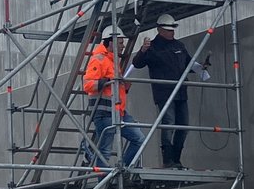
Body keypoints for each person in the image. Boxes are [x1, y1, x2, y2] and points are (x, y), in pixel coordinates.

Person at [130, 13, 210, 169]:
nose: (172, 32)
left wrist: (202, 67)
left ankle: (176, 159)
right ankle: (168, 160)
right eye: (168, 30)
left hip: (180, 92)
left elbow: (189, 65)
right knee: (169, 124)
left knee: (183, 126)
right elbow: (137, 63)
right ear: (159, 30)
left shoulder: (179, 46)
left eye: (173, 29)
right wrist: (143, 51)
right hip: (164, 92)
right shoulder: (152, 47)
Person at [82, 26, 145, 169]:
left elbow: (115, 88)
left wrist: (125, 85)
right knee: (104, 151)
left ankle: (123, 170)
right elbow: (87, 84)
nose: (122, 46)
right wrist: (106, 81)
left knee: (139, 139)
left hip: (118, 111)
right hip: (104, 113)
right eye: (120, 43)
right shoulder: (99, 59)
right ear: (111, 42)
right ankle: (102, 182)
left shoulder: (112, 61)